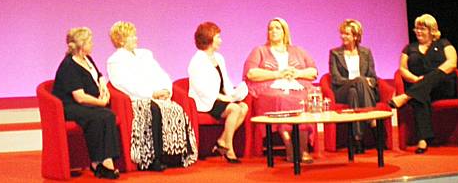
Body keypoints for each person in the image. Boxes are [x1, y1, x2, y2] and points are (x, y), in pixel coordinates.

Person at [106, 21, 197, 171]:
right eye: (131, 36)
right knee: (154, 109)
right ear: (121, 40)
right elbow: (123, 84)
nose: (136, 38)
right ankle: (155, 158)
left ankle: (177, 155)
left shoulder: (145, 55)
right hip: (136, 98)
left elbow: (160, 73)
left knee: (175, 108)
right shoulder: (115, 60)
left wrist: (165, 89)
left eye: (135, 35)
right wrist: (151, 94)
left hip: (158, 95)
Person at [243, 17, 317, 163]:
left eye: (277, 28)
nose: (273, 31)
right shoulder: (260, 50)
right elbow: (251, 73)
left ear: (284, 32)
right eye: (270, 29)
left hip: (296, 85)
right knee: (281, 98)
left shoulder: (298, 50)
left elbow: (313, 71)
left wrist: (297, 73)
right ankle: (290, 148)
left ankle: (302, 149)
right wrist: (277, 74)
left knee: (302, 99)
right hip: (269, 88)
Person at [52, 27, 121, 180]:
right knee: (99, 116)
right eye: (90, 42)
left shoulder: (87, 59)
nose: (93, 44)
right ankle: (99, 162)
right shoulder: (69, 65)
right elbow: (80, 97)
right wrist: (101, 102)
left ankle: (105, 161)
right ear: (81, 45)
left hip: (86, 104)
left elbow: (99, 76)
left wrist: (103, 87)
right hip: (70, 106)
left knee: (108, 116)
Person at [388, 14, 457, 154]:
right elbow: (402, 69)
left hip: (441, 87)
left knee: (420, 90)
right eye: (417, 28)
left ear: (432, 30)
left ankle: (406, 97)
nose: (418, 31)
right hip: (417, 85)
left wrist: (428, 79)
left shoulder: (444, 43)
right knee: (420, 95)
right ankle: (423, 140)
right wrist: (415, 79)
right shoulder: (409, 48)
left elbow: (452, 63)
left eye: (422, 29)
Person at [188, 21, 249, 163]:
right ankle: (229, 149)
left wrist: (233, 94)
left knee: (243, 107)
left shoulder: (219, 58)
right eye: (218, 37)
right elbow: (201, 89)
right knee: (234, 109)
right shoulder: (197, 61)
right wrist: (223, 98)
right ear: (209, 38)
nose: (221, 41)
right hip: (207, 100)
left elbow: (225, 81)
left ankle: (222, 141)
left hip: (221, 97)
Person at [329, 19, 379, 153]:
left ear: (356, 37)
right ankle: (372, 119)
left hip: (360, 91)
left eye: (347, 34)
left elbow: (373, 77)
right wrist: (358, 81)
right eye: (342, 34)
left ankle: (358, 139)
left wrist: (368, 82)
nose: (343, 37)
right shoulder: (335, 53)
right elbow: (336, 78)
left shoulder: (366, 52)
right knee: (357, 83)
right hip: (341, 90)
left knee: (354, 93)